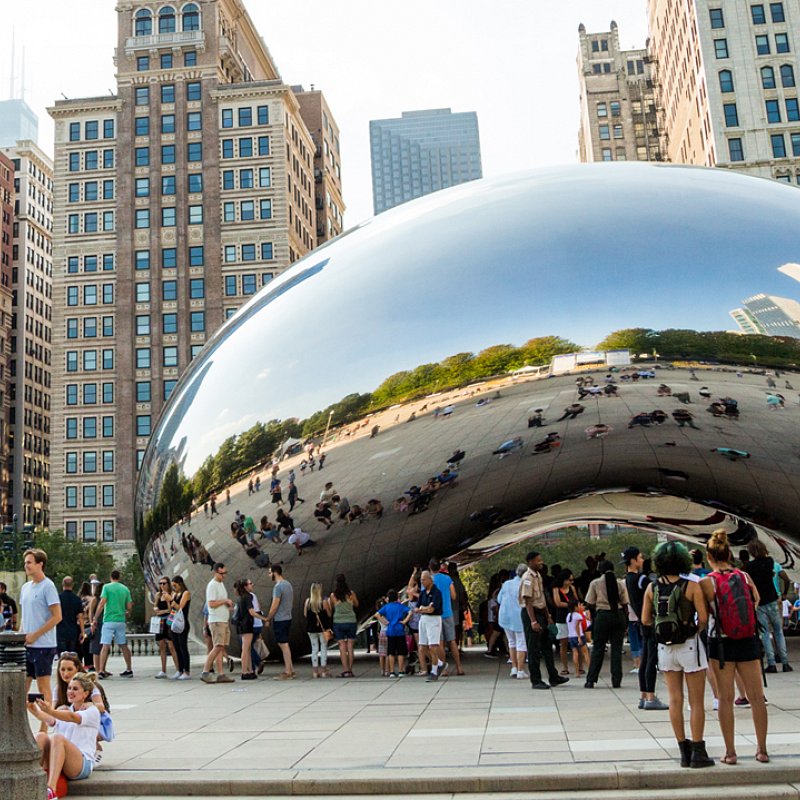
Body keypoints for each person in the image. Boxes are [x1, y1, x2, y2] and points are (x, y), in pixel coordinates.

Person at [641, 542, 713, 768]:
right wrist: (693, 629)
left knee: (674, 699)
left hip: (665, 649)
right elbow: (703, 617)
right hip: (689, 645)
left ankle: (683, 750)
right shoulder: (691, 585)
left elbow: (645, 619)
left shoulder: (652, 587)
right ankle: (698, 751)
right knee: (696, 701)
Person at [701, 529, 768, 764]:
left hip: (721, 644)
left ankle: (730, 753)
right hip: (747, 640)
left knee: (725, 698)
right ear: (729, 555)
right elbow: (756, 600)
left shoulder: (707, 582)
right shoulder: (744, 577)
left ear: (709, 557)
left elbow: (704, 615)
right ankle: (762, 750)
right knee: (756, 697)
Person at [29, 670, 101, 799]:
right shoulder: (64, 709)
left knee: (58, 738)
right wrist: (33, 709)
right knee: (41, 736)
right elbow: (49, 719)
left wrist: (50, 710)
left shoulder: (92, 711)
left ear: (85, 693)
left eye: (75, 689)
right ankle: (29, 779)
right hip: (60, 760)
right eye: (69, 688)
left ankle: (51, 789)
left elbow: (72, 717)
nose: (70, 692)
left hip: (82, 764)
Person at [519, 551, 568, 690]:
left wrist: (548, 616)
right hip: (532, 613)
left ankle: (553, 676)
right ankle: (536, 680)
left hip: (541, 612)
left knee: (547, 645)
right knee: (534, 648)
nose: (541, 562)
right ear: (530, 562)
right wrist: (533, 621)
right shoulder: (527, 577)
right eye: (538, 560)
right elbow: (528, 601)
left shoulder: (538, 576)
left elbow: (541, 598)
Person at [743, 538, 792, 673]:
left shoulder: (749, 567)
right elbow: (778, 576)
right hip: (772, 600)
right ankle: (785, 662)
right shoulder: (770, 561)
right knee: (778, 632)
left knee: (765, 633)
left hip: (759, 602)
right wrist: (784, 593)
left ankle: (771, 663)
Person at [20, 548, 62, 699]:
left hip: (43, 645)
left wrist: (35, 635)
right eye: (25, 563)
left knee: (42, 686)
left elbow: (57, 616)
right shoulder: (25, 587)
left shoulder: (48, 586)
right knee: (20, 686)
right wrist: (20, 636)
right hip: (26, 644)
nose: (26, 566)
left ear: (40, 564)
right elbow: (25, 616)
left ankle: (47, 714)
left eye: (29, 562)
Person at [584, 560, 629, 689]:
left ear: (600, 570)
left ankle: (591, 680)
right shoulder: (620, 583)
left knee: (598, 648)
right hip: (618, 615)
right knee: (616, 649)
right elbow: (625, 603)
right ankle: (616, 680)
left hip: (602, 616)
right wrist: (625, 620)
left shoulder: (595, 583)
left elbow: (589, 602)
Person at [93, 570, 134, 679]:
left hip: (108, 620)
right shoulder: (125, 589)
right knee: (123, 645)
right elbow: (129, 605)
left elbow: (102, 603)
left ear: (110, 577)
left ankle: (101, 670)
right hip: (120, 620)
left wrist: (95, 617)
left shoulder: (106, 587)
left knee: (105, 645)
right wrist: (128, 612)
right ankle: (129, 669)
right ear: (119, 577)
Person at [201, 563, 235, 685]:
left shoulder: (221, 584)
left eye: (225, 573)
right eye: (221, 573)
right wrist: (225, 601)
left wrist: (227, 606)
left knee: (221, 647)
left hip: (223, 619)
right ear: (215, 572)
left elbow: (218, 602)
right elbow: (211, 604)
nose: (224, 575)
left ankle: (221, 674)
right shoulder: (212, 585)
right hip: (216, 620)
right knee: (218, 646)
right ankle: (205, 671)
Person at [430, 558, 464, 676]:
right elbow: (454, 595)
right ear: (439, 567)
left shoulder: (429, 580)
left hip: (435, 614)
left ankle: (444, 669)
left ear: (430, 568)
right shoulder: (447, 578)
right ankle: (459, 667)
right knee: (452, 641)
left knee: (440, 642)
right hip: (448, 613)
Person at [264, 564, 295, 679]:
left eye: (270, 573)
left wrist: (268, 618)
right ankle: (291, 669)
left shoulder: (278, 587)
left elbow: (275, 604)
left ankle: (288, 672)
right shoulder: (288, 584)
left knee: (283, 644)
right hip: (288, 617)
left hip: (280, 619)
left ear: (275, 572)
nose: (269, 575)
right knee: (284, 643)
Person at [497, 564, 527, 679]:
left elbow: (499, 599)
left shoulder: (506, 584)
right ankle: (520, 670)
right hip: (519, 617)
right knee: (521, 643)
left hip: (505, 617)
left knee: (511, 642)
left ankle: (514, 668)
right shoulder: (525, 584)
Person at [417, 570, 446, 682]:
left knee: (433, 646)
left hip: (433, 620)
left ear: (430, 580)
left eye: (424, 580)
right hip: (423, 619)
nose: (422, 582)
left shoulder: (436, 593)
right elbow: (417, 608)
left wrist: (423, 608)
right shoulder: (423, 593)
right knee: (422, 647)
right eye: (421, 580)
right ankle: (439, 663)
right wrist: (424, 608)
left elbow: (432, 609)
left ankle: (434, 671)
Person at [234, 579, 265, 680]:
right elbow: (252, 611)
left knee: (247, 648)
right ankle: (245, 671)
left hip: (244, 625)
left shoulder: (241, 597)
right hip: (246, 625)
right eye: (250, 584)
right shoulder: (248, 597)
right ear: (245, 586)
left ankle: (250, 670)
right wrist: (263, 618)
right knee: (246, 649)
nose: (252, 585)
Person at [330, 573, 359, 678]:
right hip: (351, 621)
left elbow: (332, 607)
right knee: (350, 646)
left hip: (338, 622)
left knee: (342, 647)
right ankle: (350, 670)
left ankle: (345, 670)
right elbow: (356, 604)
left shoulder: (333, 595)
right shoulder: (351, 593)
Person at [552, 569, 577, 675]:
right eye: (570, 580)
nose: (571, 582)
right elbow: (558, 603)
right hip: (562, 618)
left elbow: (576, 601)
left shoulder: (572, 588)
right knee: (563, 644)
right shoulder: (556, 589)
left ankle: (579, 666)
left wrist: (573, 605)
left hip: (572, 617)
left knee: (577, 642)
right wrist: (571, 605)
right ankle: (565, 667)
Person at [151, 577, 178, 679]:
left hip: (168, 620)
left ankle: (178, 669)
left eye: (164, 583)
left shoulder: (171, 594)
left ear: (168, 584)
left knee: (171, 646)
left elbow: (170, 609)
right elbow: (155, 605)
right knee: (161, 646)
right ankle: (163, 670)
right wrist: (156, 609)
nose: (162, 585)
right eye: (160, 583)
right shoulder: (158, 595)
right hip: (160, 621)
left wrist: (166, 599)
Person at [305, 582, 332, 678]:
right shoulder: (323, 602)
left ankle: (315, 672)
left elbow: (305, 614)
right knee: (323, 648)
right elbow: (329, 614)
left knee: (314, 649)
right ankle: (324, 671)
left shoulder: (308, 602)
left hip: (311, 629)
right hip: (322, 629)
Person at [170, 576, 192, 680]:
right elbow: (172, 609)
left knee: (183, 647)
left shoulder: (185, 593)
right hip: (174, 622)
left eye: (175, 585)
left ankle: (186, 671)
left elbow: (180, 608)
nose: (174, 587)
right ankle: (180, 669)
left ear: (180, 583)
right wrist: (169, 622)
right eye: (173, 586)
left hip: (182, 623)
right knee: (177, 647)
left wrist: (171, 600)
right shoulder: (175, 594)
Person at [57, 577, 85, 655]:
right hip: (73, 630)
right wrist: (82, 632)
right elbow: (80, 617)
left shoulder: (58, 598)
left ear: (62, 584)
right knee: (72, 655)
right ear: (72, 585)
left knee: (62, 655)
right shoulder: (77, 599)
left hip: (60, 630)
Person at [566, 600, 589, 676]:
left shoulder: (568, 616)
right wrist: (579, 637)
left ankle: (577, 672)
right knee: (585, 653)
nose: (580, 606)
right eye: (579, 605)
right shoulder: (578, 616)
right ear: (575, 607)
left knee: (575, 653)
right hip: (579, 635)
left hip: (571, 636)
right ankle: (590, 670)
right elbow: (577, 627)